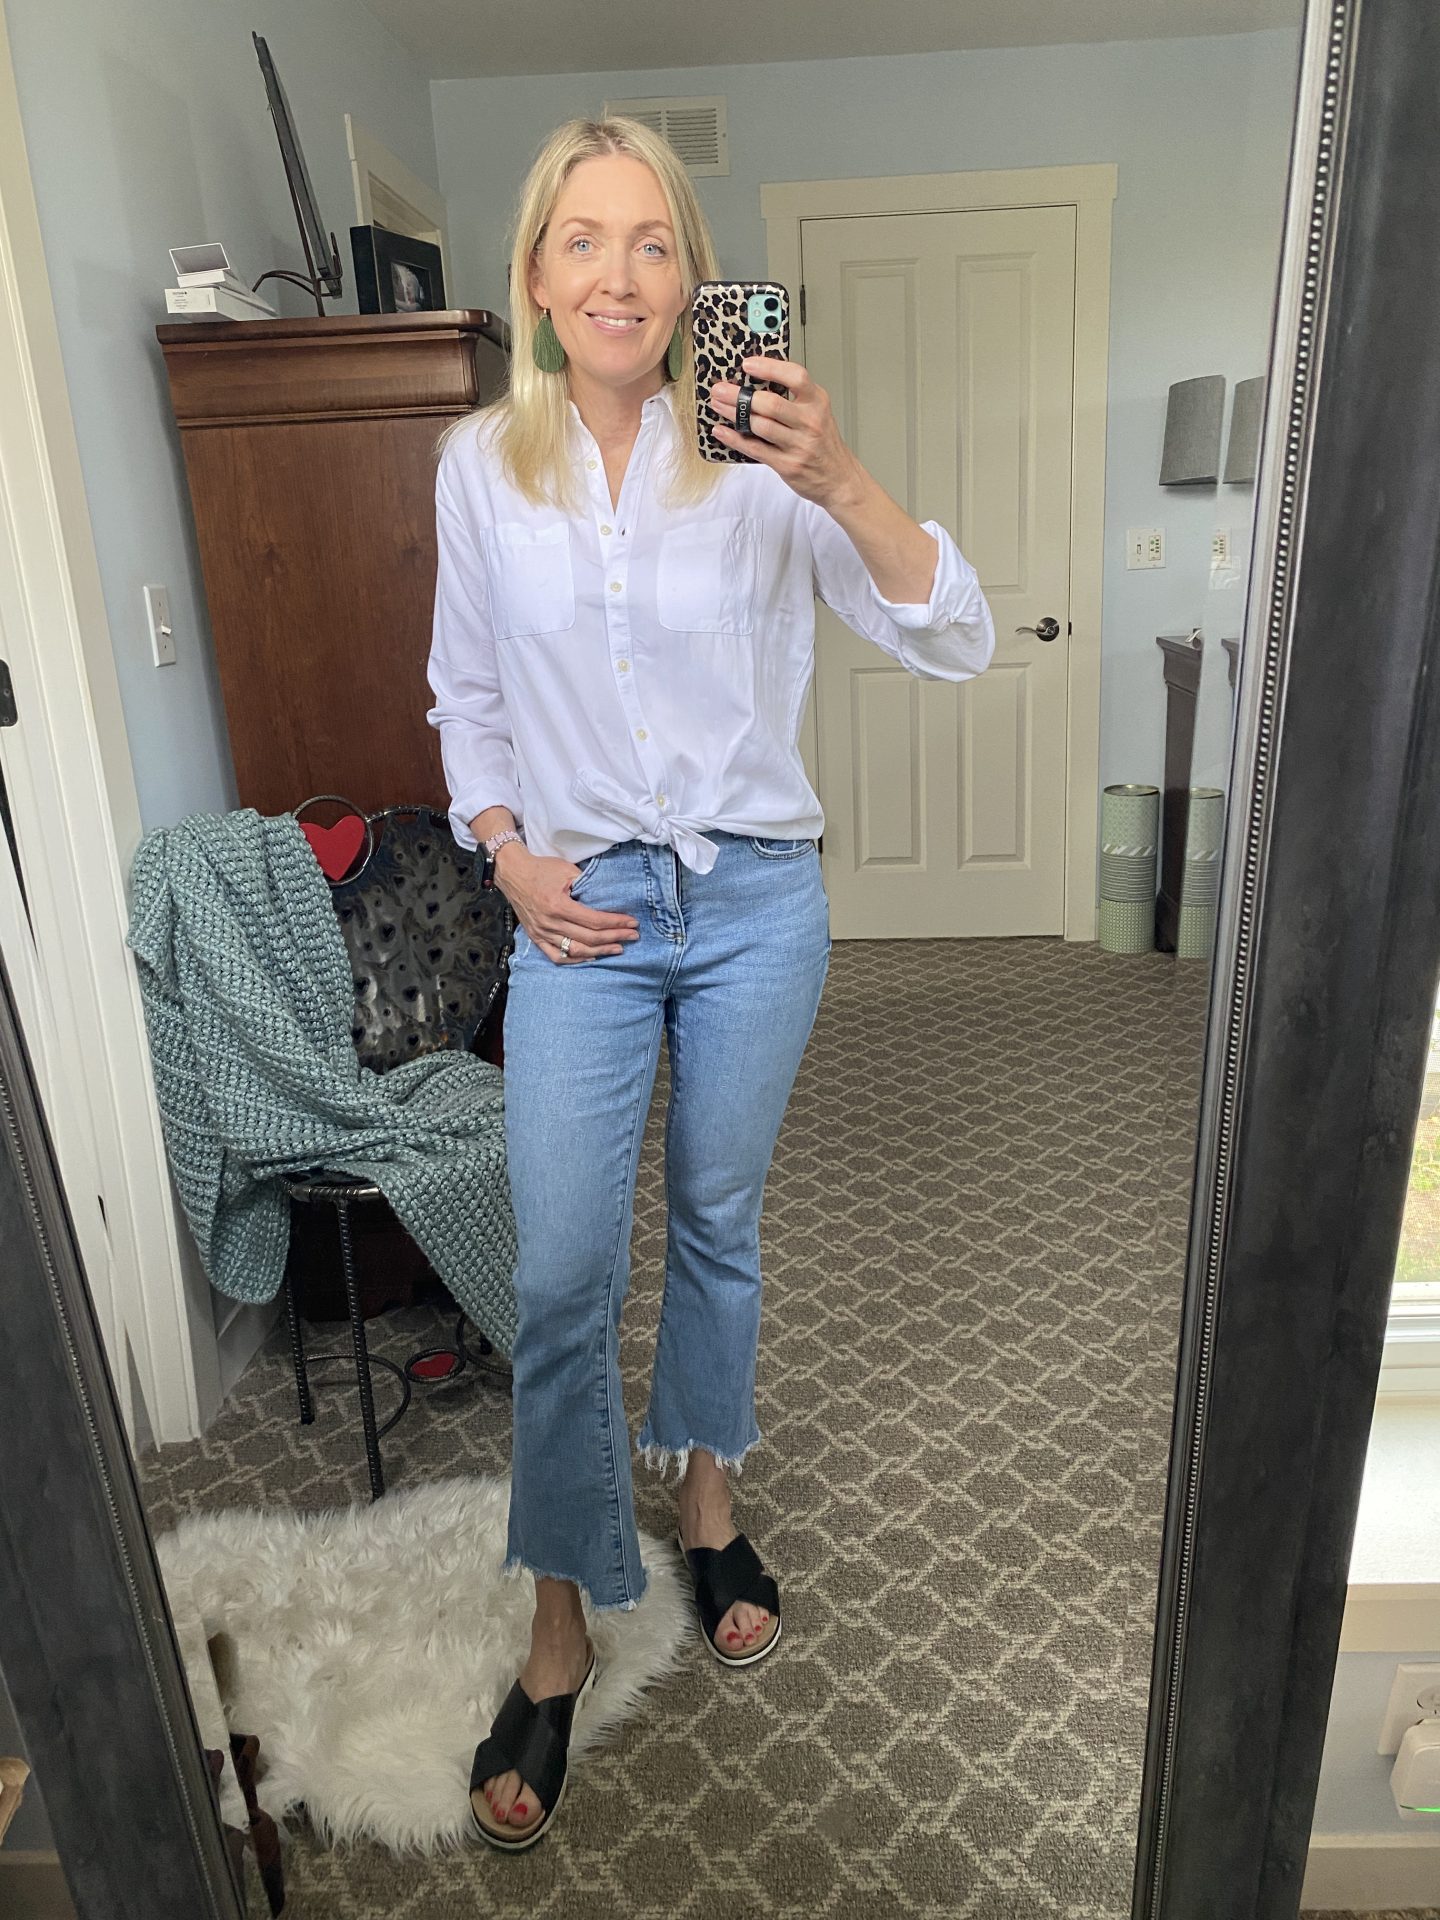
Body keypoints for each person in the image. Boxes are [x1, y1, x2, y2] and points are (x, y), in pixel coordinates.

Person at [426, 116, 995, 1851]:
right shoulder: (477, 467)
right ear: (535, 275)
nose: (619, 273)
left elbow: (952, 632)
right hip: (580, 916)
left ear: (693, 279)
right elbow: (465, 693)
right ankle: (559, 1619)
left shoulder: (760, 459)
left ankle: (708, 1502)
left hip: (755, 906)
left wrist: (842, 478)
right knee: (564, 1276)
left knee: (720, 1220)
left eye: (655, 242)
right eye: (583, 241)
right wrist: (508, 852)